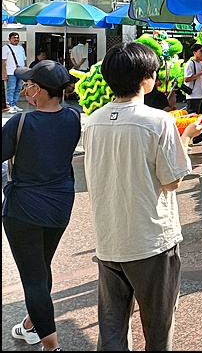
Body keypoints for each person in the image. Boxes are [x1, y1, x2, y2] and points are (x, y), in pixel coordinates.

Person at [82, 42, 202, 351]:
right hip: (150, 240)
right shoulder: (159, 121)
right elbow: (173, 179)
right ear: (146, 79)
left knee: (112, 326)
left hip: (109, 238)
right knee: (158, 326)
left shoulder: (93, 121)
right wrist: (187, 136)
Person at [2, 60, 81, 352]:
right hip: (59, 206)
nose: (25, 89)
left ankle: (51, 345)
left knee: (34, 277)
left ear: (39, 90)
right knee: (41, 267)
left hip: (23, 209)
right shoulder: (73, 118)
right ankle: (31, 324)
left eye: (28, 84)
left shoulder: (21, 122)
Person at [3, 32, 27, 113]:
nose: (16, 39)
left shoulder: (21, 48)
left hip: (20, 72)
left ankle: (14, 104)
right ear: (9, 39)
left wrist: (25, 71)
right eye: (14, 38)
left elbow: (24, 60)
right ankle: (9, 106)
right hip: (10, 72)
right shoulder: (6, 48)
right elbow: (3, 61)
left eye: (17, 37)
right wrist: (4, 73)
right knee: (11, 89)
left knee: (18, 88)